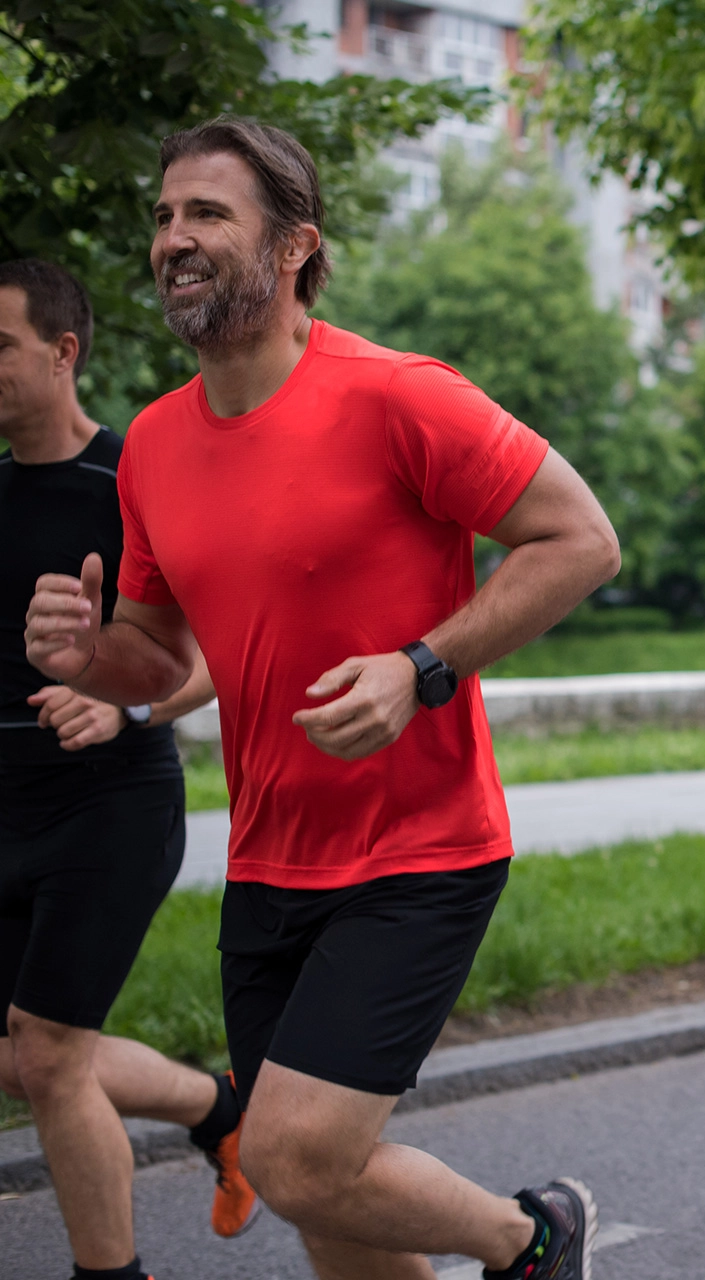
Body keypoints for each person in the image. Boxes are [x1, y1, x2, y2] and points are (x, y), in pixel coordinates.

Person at [24, 118, 622, 1280]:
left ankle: (534, 1236)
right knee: (330, 1210)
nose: (174, 239)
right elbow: (156, 655)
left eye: (208, 214)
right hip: (270, 860)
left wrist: (422, 664)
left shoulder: (399, 396)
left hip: (422, 849)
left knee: (292, 1155)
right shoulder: (151, 443)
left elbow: (582, 540)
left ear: (295, 246)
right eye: (163, 216)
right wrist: (89, 655)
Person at [0, 258, 255, 1278]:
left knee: (53, 1056)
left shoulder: (135, 478)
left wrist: (122, 698)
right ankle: (219, 1106)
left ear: (62, 354)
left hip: (110, 805)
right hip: (5, 808)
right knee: (25, 1056)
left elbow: (224, 648)